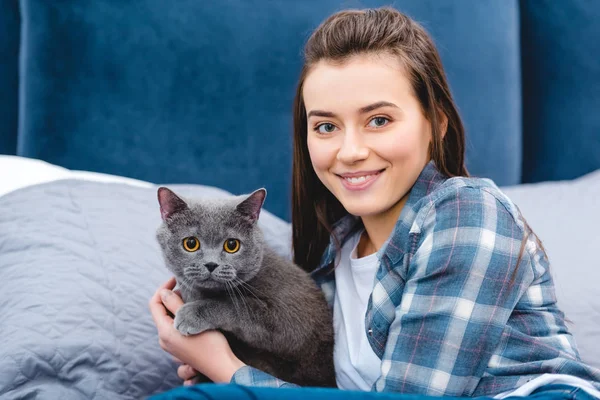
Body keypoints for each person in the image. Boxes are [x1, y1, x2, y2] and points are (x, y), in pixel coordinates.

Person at [149, 7, 600, 398]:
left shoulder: (468, 215)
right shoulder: (335, 251)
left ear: (436, 124)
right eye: (326, 127)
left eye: (378, 120)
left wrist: (226, 372)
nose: (350, 151)